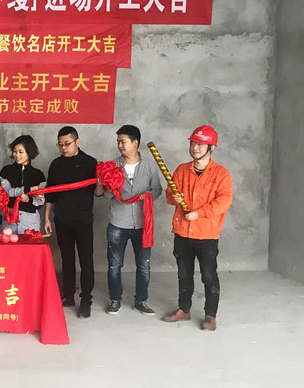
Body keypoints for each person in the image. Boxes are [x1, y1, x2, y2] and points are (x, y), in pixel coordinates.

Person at [162, 125, 233, 331]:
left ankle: (210, 315)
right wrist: (173, 198)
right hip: (183, 233)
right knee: (184, 274)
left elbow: (224, 201)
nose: (195, 147)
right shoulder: (182, 170)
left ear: (211, 147)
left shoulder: (221, 174)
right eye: (193, 143)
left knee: (209, 276)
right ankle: (184, 309)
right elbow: (169, 194)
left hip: (206, 235)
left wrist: (199, 213)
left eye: (200, 144)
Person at [97, 125, 164, 316]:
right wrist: (105, 186)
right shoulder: (111, 166)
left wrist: (147, 196)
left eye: (123, 141)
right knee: (114, 265)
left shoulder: (149, 165)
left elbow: (157, 189)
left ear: (135, 143)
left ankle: (141, 301)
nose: (119, 145)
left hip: (143, 224)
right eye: (118, 142)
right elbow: (105, 195)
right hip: (118, 222)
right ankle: (115, 300)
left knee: (144, 265)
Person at [44, 126, 102, 318]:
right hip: (62, 220)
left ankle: (86, 301)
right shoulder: (56, 164)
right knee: (67, 260)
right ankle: (68, 295)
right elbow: (50, 193)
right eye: (60, 144)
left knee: (86, 261)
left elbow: (98, 193)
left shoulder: (90, 163)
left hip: (83, 220)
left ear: (77, 142)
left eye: (67, 144)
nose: (63, 148)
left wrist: (100, 184)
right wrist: (47, 217)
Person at [0, 134, 46, 234]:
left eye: (21, 152)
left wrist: (28, 199)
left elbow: (41, 201)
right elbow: (6, 192)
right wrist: (29, 189)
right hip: (9, 221)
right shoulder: (6, 171)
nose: (17, 155)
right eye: (15, 151)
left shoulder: (38, 175)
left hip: (30, 223)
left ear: (29, 152)